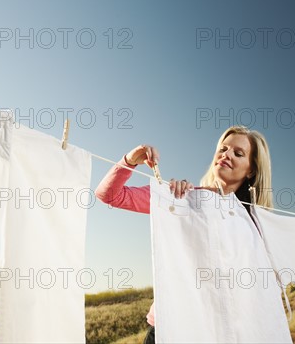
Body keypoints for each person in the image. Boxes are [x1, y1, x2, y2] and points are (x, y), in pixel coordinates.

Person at [94, 125, 273, 344]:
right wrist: (129, 161)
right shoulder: (182, 197)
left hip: (223, 332)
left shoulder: (257, 222)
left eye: (238, 153)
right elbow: (109, 195)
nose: (226, 155)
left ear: (252, 170)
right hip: (170, 327)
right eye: (223, 148)